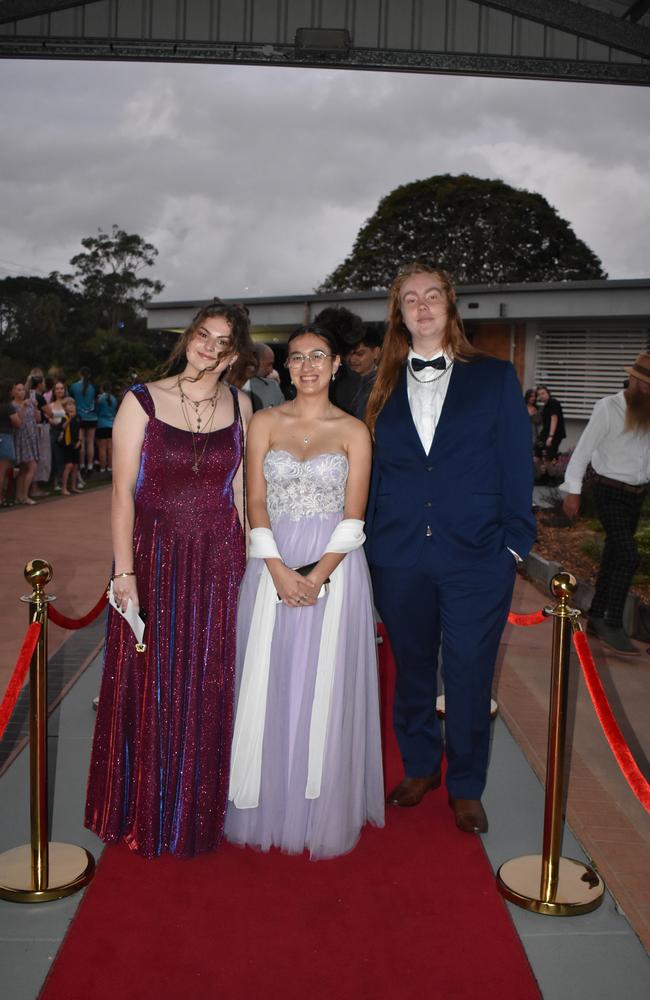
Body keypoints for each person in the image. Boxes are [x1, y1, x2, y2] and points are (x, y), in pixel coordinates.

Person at [365, 262, 535, 834]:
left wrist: (514, 546)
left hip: (477, 557)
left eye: (432, 294)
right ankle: (419, 766)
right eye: (410, 298)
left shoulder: (494, 377)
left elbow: (516, 464)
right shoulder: (377, 386)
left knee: (467, 672)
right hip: (398, 555)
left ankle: (465, 784)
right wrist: (366, 547)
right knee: (411, 669)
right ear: (399, 313)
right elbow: (368, 475)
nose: (422, 305)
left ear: (450, 304)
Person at [85, 299, 254, 859]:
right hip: (152, 557)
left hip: (218, 558)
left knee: (206, 681)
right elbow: (121, 493)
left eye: (222, 341)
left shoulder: (244, 405)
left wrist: (254, 552)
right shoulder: (142, 399)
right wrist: (123, 571)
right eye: (202, 334)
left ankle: (196, 809)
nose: (208, 346)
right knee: (152, 678)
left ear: (234, 355)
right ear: (188, 338)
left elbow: (239, 491)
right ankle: (144, 810)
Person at [225, 324, 384, 859]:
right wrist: (276, 568)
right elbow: (256, 501)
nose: (308, 366)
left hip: (335, 568)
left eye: (319, 356)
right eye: (297, 358)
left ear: (337, 364)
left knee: (324, 679)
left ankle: (318, 806)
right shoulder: (264, 422)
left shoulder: (354, 431)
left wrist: (316, 576)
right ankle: (265, 798)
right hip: (268, 560)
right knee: (270, 675)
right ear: (286, 368)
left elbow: (354, 515)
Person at [561, 355, 650, 655]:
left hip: (636, 494)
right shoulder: (608, 407)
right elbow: (583, 450)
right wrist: (572, 491)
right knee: (627, 554)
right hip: (608, 490)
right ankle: (613, 621)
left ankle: (597, 616)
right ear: (634, 379)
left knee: (614, 555)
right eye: (645, 384)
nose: (648, 391)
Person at [11, 381, 41, 505]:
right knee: (32, 466)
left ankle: (19, 496)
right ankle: (24, 495)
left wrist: (35, 407)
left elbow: (38, 418)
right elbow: (17, 421)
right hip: (21, 438)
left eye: (23, 389)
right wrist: (23, 406)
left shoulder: (29, 404)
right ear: (13, 392)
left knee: (24, 469)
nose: (22, 392)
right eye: (19, 390)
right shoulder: (12, 405)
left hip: (31, 436)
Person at [345, 327, 383, 419]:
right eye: (348, 354)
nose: (352, 359)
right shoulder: (341, 380)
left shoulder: (382, 385)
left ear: (376, 352)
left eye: (360, 354)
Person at [69, 367, 98, 475]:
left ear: (79, 374)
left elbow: (71, 400)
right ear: (89, 375)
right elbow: (96, 401)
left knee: (81, 442)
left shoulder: (73, 386)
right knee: (90, 442)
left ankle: (81, 465)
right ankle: (90, 465)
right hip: (92, 417)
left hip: (79, 417)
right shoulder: (94, 387)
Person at [0, 378, 22, 507]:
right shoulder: (8, 406)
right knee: (2, 472)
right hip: (4, 437)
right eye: (13, 388)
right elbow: (17, 423)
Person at [244, 343, 285, 411]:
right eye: (269, 364)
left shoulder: (273, 387)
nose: (271, 370)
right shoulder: (225, 387)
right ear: (254, 361)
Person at [45, 380, 68, 490]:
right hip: (54, 432)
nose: (59, 390)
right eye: (57, 388)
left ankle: (65, 480)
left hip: (66, 431)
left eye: (61, 388)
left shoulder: (69, 403)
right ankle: (55, 481)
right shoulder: (50, 405)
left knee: (66, 457)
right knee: (56, 457)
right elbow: (47, 417)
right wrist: (51, 421)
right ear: (54, 391)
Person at [535, 385, 565, 464]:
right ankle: (539, 474)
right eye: (539, 394)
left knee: (550, 457)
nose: (542, 396)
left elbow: (554, 418)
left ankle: (552, 474)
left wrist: (551, 436)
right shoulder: (545, 406)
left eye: (543, 393)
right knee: (537, 451)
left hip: (555, 434)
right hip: (545, 433)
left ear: (548, 393)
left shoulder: (553, 402)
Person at [59, 397, 82, 495]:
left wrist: (80, 441)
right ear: (64, 408)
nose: (71, 407)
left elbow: (80, 429)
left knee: (75, 466)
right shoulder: (64, 417)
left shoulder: (78, 417)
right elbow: (63, 427)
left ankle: (73, 486)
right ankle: (63, 488)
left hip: (76, 443)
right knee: (68, 465)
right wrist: (70, 419)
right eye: (68, 405)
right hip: (67, 444)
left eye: (72, 404)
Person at [95, 381, 118, 472]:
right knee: (110, 448)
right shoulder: (114, 399)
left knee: (102, 448)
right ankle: (110, 467)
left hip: (101, 424)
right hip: (112, 424)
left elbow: (96, 410)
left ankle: (102, 468)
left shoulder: (100, 399)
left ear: (102, 388)